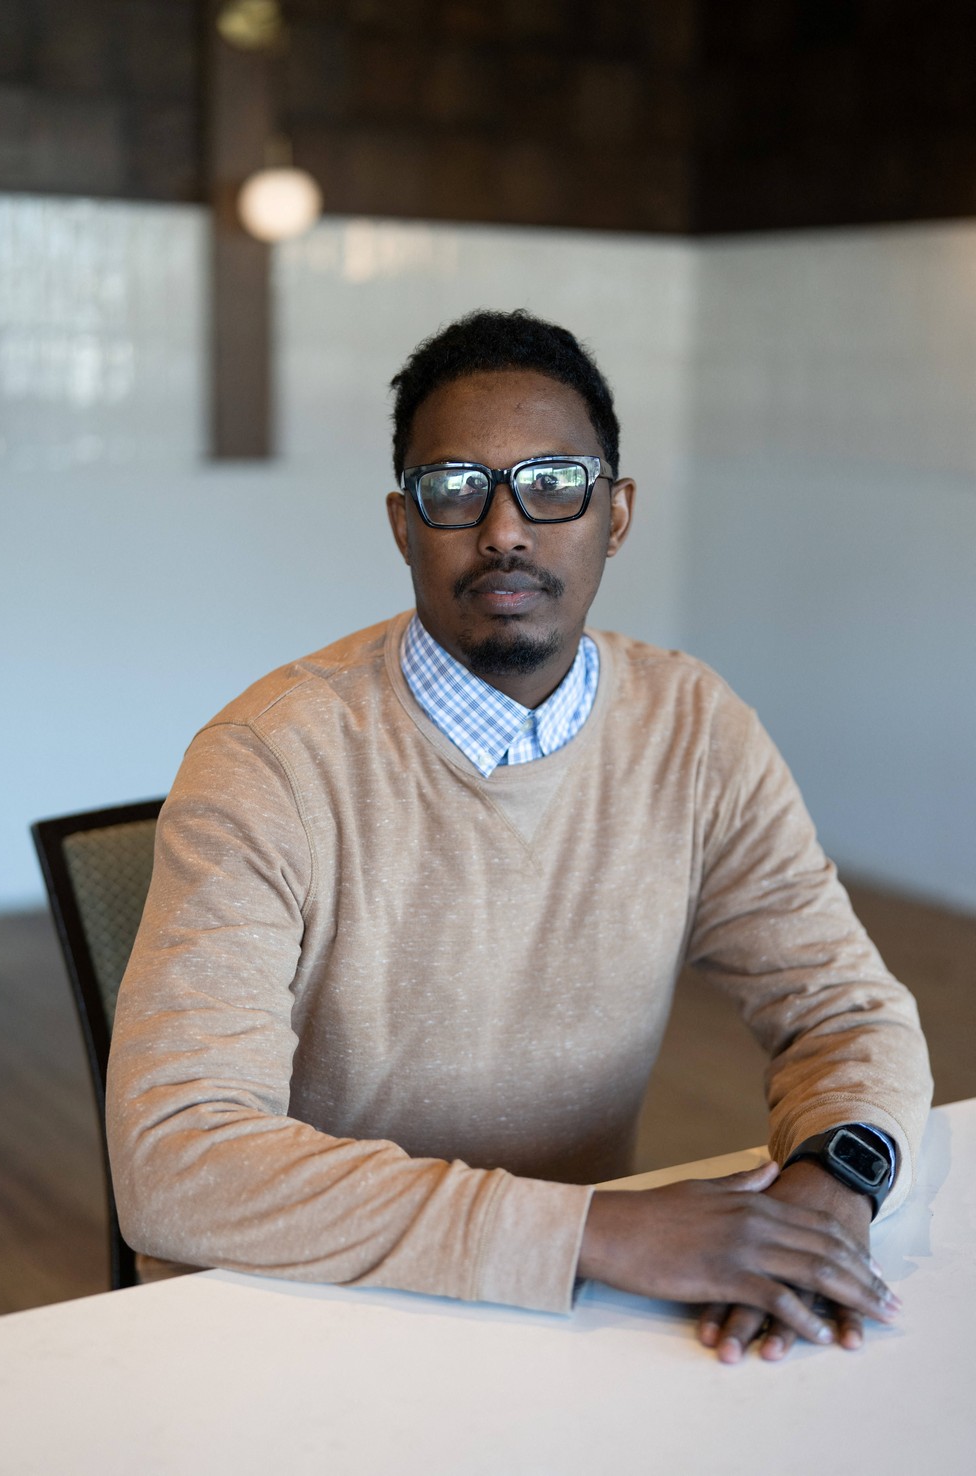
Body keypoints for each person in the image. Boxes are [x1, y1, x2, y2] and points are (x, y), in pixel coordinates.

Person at [107, 309, 932, 1364]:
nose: (504, 529)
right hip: (301, 1321)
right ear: (404, 526)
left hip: (568, 1322)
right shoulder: (267, 760)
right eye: (455, 489)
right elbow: (178, 1158)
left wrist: (833, 1186)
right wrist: (592, 1231)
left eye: (553, 484)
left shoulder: (694, 727)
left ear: (616, 515)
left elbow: (846, 1011)